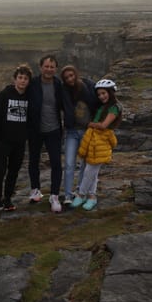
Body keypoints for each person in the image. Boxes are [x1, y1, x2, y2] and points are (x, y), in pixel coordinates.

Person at [0, 64, 34, 215]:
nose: (22, 81)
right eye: (20, 78)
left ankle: (7, 199)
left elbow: (31, 118)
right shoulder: (4, 95)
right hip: (3, 141)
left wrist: (27, 136)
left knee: (13, 172)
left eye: (25, 78)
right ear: (15, 79)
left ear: (28, 81)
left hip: (19, 142)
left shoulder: (29, 97)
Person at [73, 78, 121, 211]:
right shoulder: (103, 107)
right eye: (99, 94)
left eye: (104, 93)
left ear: (111, 92)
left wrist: (88, 124)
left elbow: (104, 125)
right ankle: (92, 197)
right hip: (93, 141)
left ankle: (81, 194)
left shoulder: (114, 107)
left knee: (90, 170)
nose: (101, 96)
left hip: (101, 142)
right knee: (92, 171)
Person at [27, 54, 66, 212]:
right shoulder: (33, 84)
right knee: (33, 161)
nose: (49, 69)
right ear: (40, 67)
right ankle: (35, 190)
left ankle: (54, 195)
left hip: (54, 130)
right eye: (46, 66)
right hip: (35, 130)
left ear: (56, 69)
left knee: (56, 163)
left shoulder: (58, 85)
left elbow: (68, 103)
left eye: (52, 67)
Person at [59, 64, 98, 205]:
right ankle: (68, 195)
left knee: (85, 164)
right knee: (69, 164)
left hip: (87, 131)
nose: (70, 79)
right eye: (66, 77)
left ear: (76, 74)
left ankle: (81, 192)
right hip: (71, 132)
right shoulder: (63, 91)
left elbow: (99, 100)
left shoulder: (87, 86)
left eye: (71, 75)